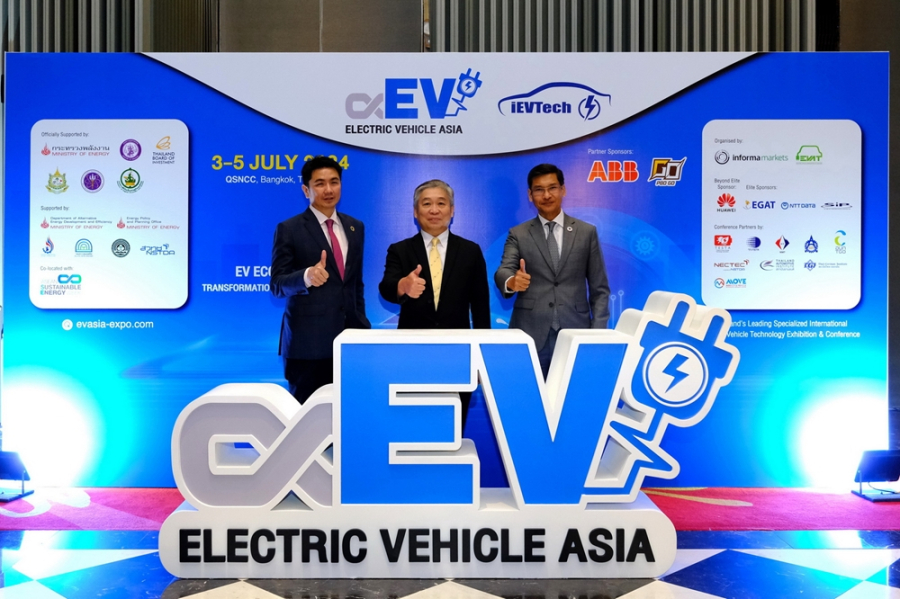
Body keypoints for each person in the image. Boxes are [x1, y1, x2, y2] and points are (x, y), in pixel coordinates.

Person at [379, 179, 490, 429]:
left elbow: (481, 307)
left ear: (452, 210)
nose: (434, 210)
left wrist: (482, 359)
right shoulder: (400, 250)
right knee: (413, 426)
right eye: (426, 204)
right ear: (415, 212)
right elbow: (386, 287)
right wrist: (403, 286)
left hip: (459, 352)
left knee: (453, 428)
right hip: (412, 351)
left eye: (441, 203)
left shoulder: (471, 251)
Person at [494, 163, 610, 377]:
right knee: (529, 394)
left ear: (563, 190)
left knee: (573, 393)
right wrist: (512, 281)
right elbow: (503, 270)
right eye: (539, 190)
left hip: (576, 332)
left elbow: (600, 289)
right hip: (531, 332)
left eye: (552, 188)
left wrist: (598, 333)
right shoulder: (518, 234)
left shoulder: (586, 232)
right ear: (530, 195)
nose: (546, 195)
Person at [271, 155, 370, 403]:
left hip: (350, 344)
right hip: (308, 347)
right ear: (306, 190)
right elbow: (277, 284)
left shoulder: (355, 227)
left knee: (350, 414)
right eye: (320, 183)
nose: (328, 189)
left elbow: (355, 284)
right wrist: (307, 276)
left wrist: (363, 328)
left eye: (334, 182)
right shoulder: (290, 228)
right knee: (306, 420)